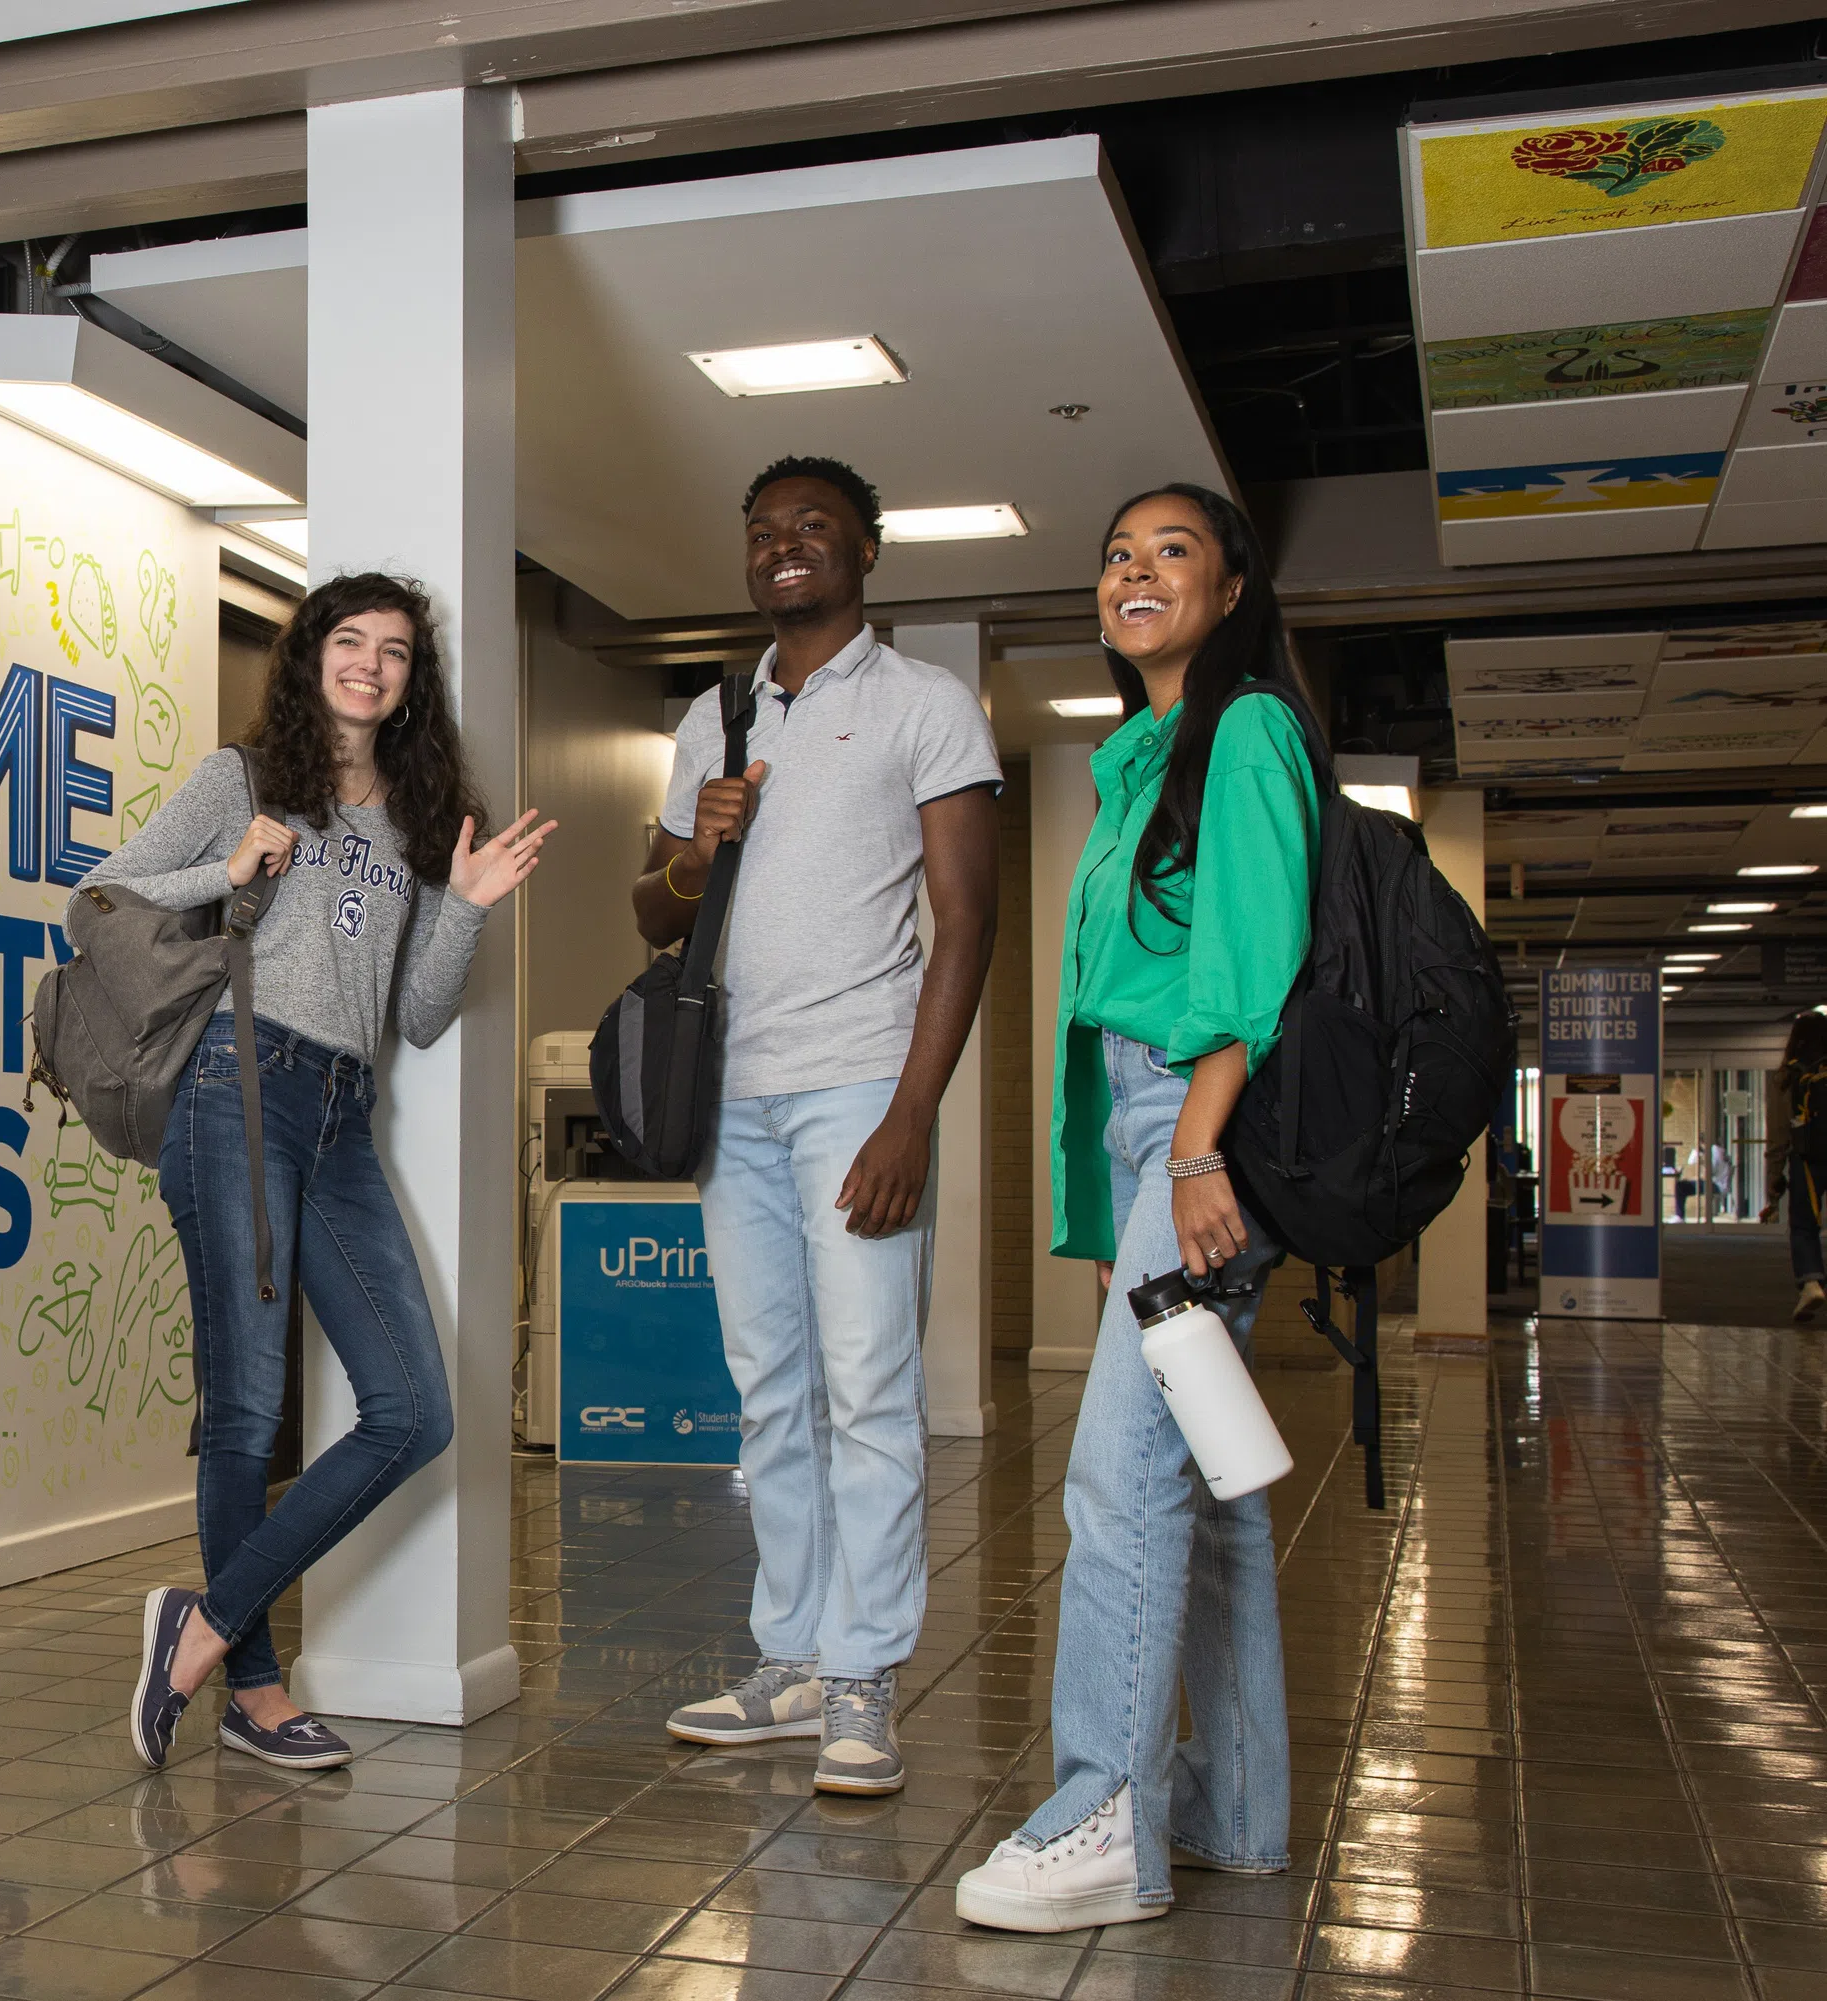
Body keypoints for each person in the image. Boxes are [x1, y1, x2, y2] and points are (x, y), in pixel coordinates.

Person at [95, 571, 552, 1772]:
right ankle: (252, 1689)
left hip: (345, 1108)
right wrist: (228, 868)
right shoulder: (240, 778)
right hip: (234, 1090)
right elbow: (94, 901)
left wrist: (464, 907)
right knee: (248, 1406)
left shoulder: (417, 813)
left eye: (395, 650)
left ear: (414, 680)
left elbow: (419, 1015)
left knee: (414, 1409)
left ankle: (197, 1626)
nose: (370, 663)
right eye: (349, 641)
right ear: (311, 656)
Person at [956, 483, 1324, 1932]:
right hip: (1152, 1136)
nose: (1135, 573)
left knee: (1119, 1476)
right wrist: (1121, 1192)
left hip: (1196, 1123)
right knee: (1212, 1488)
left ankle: (1106, 1812)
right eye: (1116, 555)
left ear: (1233, 590)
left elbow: (1252, 967)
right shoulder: (1135, 759)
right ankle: (1233, 1809)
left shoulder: (1246, 734)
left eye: (1172, 551)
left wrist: (1192, 1158)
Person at [631, 456, 1000, 1795]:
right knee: (771, 1392)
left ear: (865, 552)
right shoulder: (713, 714)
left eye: (815, 530)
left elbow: (969, 917)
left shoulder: (923, 704)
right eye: (767, 532)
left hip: (858, 1089)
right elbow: (654, 913)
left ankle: (863, 1678)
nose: (786, 548)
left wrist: (913, 1111)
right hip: (733, 1089)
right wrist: (694, 850)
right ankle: (788, 1658)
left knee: (869, 1389)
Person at [1767, 1012, 1827, 1322]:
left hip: (1805, 1160)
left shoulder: (1786, 1077)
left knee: (1804, 1225)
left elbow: (1778, 1135)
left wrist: (1774, 1182)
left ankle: (1811, 1282)